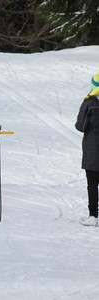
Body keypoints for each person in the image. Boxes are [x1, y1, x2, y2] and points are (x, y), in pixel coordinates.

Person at [75, 74, 99, 226]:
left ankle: (93, 216)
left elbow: (80, 126)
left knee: (92, 184)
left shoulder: (89, 104)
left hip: (93, 150)